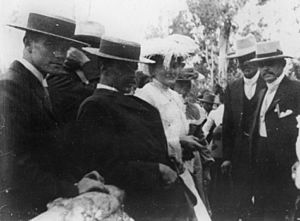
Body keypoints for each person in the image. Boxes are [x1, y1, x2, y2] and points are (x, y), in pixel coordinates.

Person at [76, 35, 196, 221]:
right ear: (103, 68)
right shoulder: (95, 106)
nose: (132, 75)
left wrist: (169, 159)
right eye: (124, 68)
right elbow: (103, 166)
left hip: (163, 199)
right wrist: (157, 170)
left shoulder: (132, 101)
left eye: (134, 68)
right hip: (135, 204)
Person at [0, 13, 103, 220]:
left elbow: (45, 151)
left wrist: (78, 179)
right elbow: (13, 165)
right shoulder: (10, 87)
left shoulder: (35, 82)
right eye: (50, 45)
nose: (59, 54)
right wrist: (73, 188)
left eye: (65, 48)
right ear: (28, 44)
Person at [135, 36, 212, 220]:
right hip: (163, 171)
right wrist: (178, 142)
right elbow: (147, 141)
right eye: (166, 65)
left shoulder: (176, 96)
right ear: (152, 68)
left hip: (183, 169)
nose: (173, 71)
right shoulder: (145, 95)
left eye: (177, 65)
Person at [248, 41, 300, 220]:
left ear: (282, 64)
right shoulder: (262, 92)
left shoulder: (295, 90)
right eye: (261, 65)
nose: (265, 69)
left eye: (270, 63)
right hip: (262, 165)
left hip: (286, 167)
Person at [221, 34, 266, 219]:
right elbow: (228, 126)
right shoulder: (232, 88)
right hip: (239, 156)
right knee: (241, 199)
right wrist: (227, 157)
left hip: (262, 153)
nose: (245, 64)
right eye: (241, 60)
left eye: (249, 59)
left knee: (263, 200)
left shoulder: (268, 83)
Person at [47, 21, 105, 124]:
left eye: (97, 47)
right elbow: (102, 98)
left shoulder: (89, 71)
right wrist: (86, 63)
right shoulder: (59, 75)